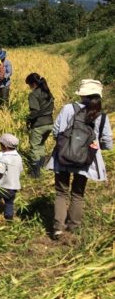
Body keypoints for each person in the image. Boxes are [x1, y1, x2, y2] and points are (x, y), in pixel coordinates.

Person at [48, 79, 112, 240]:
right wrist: (95, 149)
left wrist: (66, 144)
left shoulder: (68, 108)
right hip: (86, 161)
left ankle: (58, 229)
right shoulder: (101, 115)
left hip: (63, 157)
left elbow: (56, 131)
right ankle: (73, 226)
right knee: (78, 193)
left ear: (82, 94)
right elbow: (107, 142)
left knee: (61, 193)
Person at [25, 73, 55, 177]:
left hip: (39, 124)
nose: (29, 87)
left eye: (29, 85)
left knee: (34, 147)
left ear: (33, 84)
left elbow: (35, 112)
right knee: (41, 145)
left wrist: (27, 119)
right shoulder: (48, 93)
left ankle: (35, 172)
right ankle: (41, 166)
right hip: (50, 123)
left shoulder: (33, 95)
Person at [0, 133, 23, 220]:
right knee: (9, 203)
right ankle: (9, 218)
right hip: (13, 186)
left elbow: (1, 170)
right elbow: (20, 169)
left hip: (1, 185)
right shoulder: (18, 157)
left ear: (4, 146)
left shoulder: (5, 158)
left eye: (0, 144)